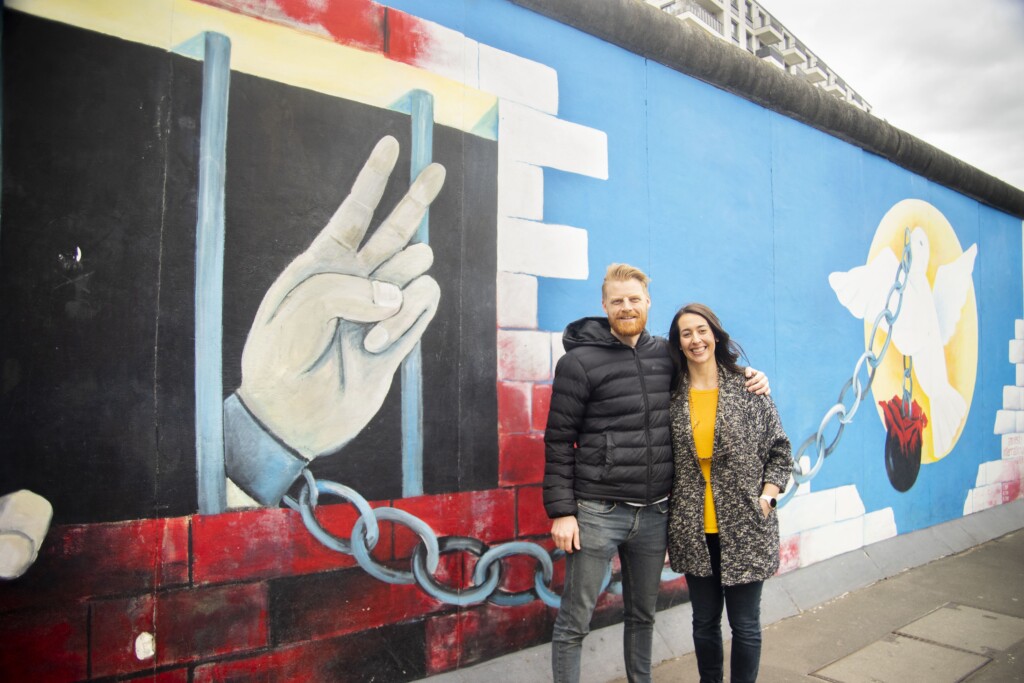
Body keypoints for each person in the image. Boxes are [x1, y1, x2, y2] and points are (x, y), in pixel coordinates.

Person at [543, 265, 770, 683]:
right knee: (575, 622)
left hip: (654, 514)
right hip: (597, 511)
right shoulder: (578, 363)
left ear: (648, 302)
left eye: (634, 299)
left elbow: (709, 374)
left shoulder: (666, 356)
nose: (626, 307)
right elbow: (558, 440)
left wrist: (751, 377)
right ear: (604, 305)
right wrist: (562, 511)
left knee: (642, 617)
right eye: (617, 301)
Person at [666, 303, 793, 683]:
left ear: (715, 335)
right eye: (686, 333)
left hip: (747, 524)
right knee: (704, 622)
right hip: (693, 528)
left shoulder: (748, 386)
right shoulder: (671, 396)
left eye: (701, 330)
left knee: (745, 624)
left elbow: (780, 451)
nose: (695, 339)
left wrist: (767, 499)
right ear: (678, 343)